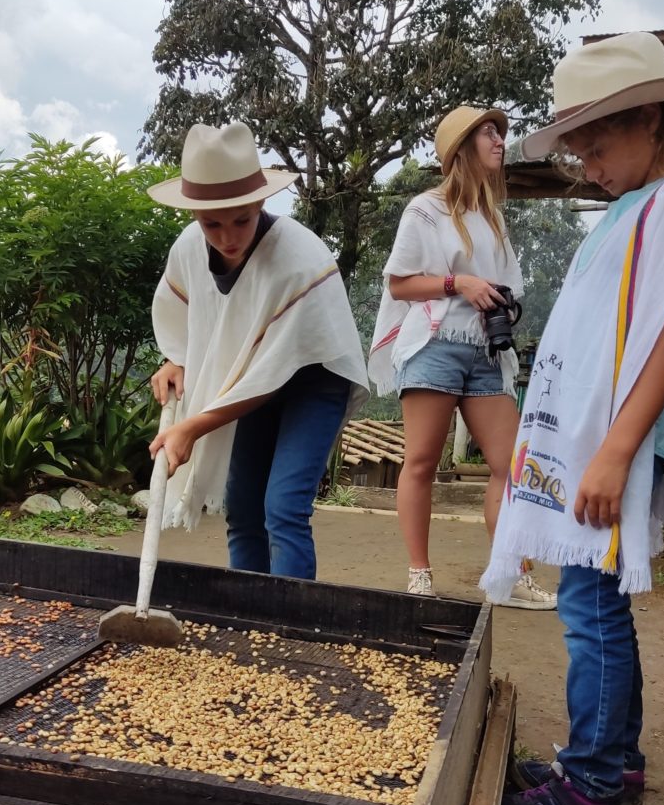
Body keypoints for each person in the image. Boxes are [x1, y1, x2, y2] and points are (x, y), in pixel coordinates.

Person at [482, 33, 664, 805]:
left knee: (588, 611)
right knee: (597, 607)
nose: (589, 167)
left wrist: (613, 451)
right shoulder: (639, 207)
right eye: (579, 153)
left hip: (616, 443)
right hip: (603, 439)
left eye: (599, 146)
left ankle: (589, 789)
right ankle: (610, 766)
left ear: (655, 118)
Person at [147, 122, 369, 580]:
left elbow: (275, 370)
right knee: (244, 510)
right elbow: (185, 315)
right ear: (194, 215)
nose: (227, 237)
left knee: (284, 507)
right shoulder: (189, 248)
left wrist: (192, 427)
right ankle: (247, 625)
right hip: (249, 384)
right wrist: (176, 359)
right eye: (212, 223)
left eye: (241, 220)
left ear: (261, 201)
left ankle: (288, 629)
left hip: (313, 379)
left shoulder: (298, 258)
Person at [367, 105, 556, 609]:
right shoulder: (425, 209)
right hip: (433, 346)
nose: (500, 141)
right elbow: (400, 283)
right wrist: (460, 283)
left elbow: (508, 284)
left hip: (484, 354)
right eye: (490, 133)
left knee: (511, 464)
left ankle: (509, 575)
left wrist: (500, 302)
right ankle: (419, 575)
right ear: (462, 147)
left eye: (500, 133)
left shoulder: (492, 218)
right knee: (422, 462)